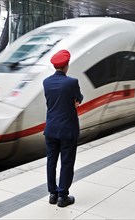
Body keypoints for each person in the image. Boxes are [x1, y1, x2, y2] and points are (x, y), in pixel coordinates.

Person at [42, 49, 83, 208]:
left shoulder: (46, 82)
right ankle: (62, 196)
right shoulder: (72, 82)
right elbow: (78, 98)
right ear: (66, 65)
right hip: (67, 129)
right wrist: (75, 100)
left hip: (51, 128)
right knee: (66, 162)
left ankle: (52, 194)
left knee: (51, 161)